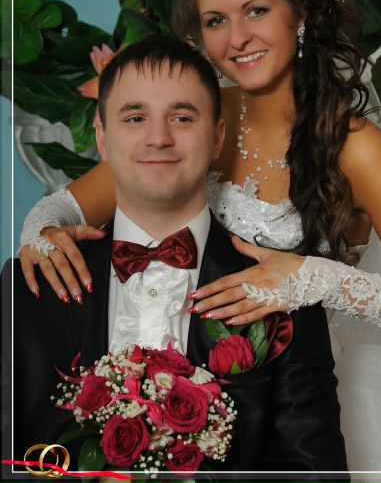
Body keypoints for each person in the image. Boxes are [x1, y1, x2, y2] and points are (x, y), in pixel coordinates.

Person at [16, 0, 381, 475]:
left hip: (316, 400)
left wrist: (315, 279)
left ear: (300, 12)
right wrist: (42, 232)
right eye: (215, 20)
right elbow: (64, 204)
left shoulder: (354, 146)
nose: (237, 39)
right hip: (180, 397)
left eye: (256, 10)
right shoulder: (193, 122)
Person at [3, 35, 349, 480]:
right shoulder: (25, 286)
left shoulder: (282, 295)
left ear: (217, 136)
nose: (159, 138)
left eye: (182, 117)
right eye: (135, 117)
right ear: (102, 137)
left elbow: (312, 473)